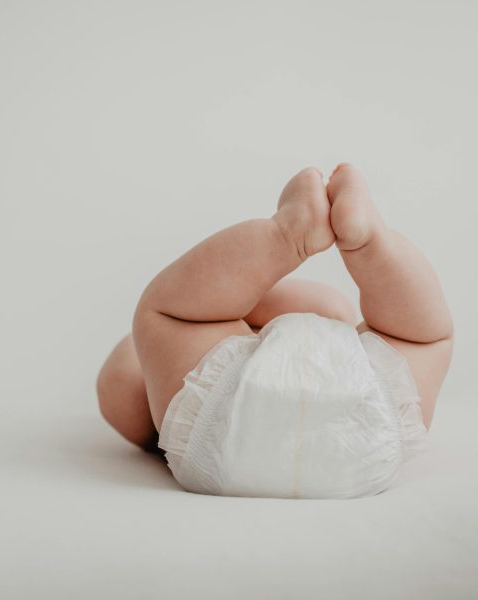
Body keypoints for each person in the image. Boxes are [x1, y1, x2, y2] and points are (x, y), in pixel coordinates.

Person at [97, 163, 453, 498]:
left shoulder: (183, 383)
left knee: (167, 320)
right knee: (420, 337)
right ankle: (351, 239)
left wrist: (220, 316)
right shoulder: (325, 321)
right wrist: (236, 305)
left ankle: (296, 236)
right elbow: (325, 306)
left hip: (224, 441)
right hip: (370, 435)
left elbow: (132, 373)